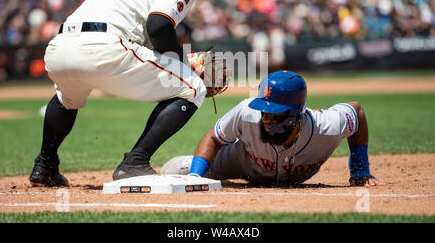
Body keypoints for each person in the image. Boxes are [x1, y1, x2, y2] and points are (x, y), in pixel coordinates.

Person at [29, 0, 236, 187]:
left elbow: (149, 30)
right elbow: (159, 26)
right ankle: (135, 162)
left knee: (67, 98)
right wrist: (183, 65)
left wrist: (174, 62)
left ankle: (45, 164)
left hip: (61, 48)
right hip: (104, 47)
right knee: (193, 88)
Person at [162, 70, 383, 187]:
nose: (266, 119)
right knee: (175, 169)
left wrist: (360, 169)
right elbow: (214, 137)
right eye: (263, 111)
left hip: (289, 171)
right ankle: (186, 165)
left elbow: (358, 112)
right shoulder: (246, 113)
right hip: (241, 160)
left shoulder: (326, 126)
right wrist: (195, 175)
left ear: (296, 113)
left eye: (274, 113)